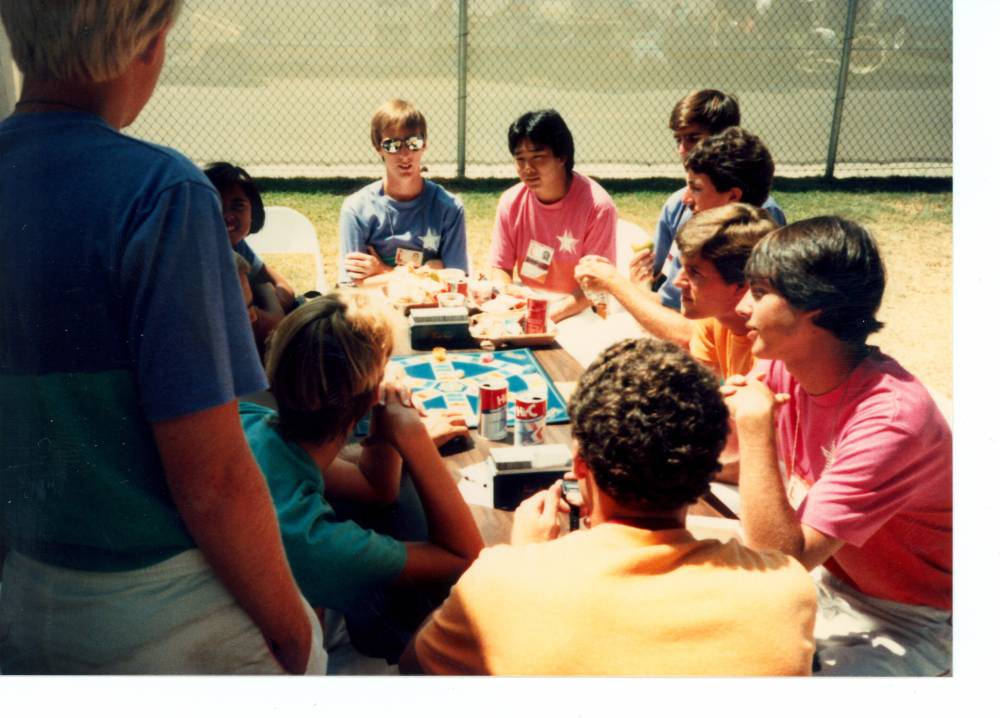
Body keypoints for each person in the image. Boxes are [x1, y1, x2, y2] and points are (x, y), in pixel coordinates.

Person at [0, 0, 323, 674]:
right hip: (162, 611)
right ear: (146, 43)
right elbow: (213, 480)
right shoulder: (162, 192)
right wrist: (295, 635)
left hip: (26, 598)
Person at [400, 338, 817, 675]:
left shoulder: (499, 581)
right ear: (710, 467)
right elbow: (779, 560)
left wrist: (523, 558)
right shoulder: (785, 592)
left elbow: (414, 669)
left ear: (579, 461)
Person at [722, 216, 952, 676]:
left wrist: (753, 426)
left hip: (908, 621)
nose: (743, 306)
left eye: (761, 292)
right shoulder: (789, 365)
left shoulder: (892, 419)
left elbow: (780, 562)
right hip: (825, 585)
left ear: (818, 309)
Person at [240, 292, 483, 665]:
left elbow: (375, 488)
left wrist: (384, 433)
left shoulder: (253, 420)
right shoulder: (316, 540)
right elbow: (464, 558)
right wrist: (414, 439)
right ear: (371, 396)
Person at [576, 126, 775, 349]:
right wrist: (639, 287)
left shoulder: (746, 252)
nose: (685, 199)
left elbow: (686, 334)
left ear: (733, 196)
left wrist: (614, 282)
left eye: (696, 188)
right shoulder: (700, 235)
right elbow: (672, 308)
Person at [634, 89, 786, 307]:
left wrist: (625, 287)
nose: (682, 149)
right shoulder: (677, 204)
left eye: (693, 138)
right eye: (678, 139)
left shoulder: (759, 218)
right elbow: (655, 274)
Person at [487, 109, 617, 323]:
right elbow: (500, 267)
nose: (528, 168)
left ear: (561, 157)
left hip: (581, 309)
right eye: (520, 159)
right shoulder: (511, 201)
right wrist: (508, 297)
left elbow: (595, 286)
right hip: (529, 301)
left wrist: (546, 317)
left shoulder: (598, 206)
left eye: (538, 157)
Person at [339, 99, 469, 285]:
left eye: (413, 143)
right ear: (378, 148)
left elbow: (456, 279)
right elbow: (352, 286)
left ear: (424, 144)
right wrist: (430, 270)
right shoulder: (357, 210)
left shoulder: (449, 207)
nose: (405, 155)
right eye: (392, 145)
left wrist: (382, 271)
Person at [204, 161, 296, 342]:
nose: (227, 215)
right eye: (216, 205)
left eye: (238, 206)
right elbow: (274, 327)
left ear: (253, 211)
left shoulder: (236, 244)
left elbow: (285, 288)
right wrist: (266, 290)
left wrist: (263, 299)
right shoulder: (214, 255)